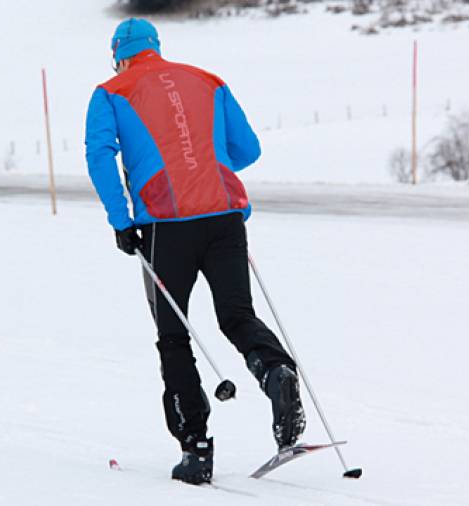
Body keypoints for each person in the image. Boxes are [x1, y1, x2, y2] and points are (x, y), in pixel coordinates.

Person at [84, 18, 305, 485]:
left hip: (165, 226)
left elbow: (99, 155)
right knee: (237, 315)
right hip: (225, 217)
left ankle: (196, 449)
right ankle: (277, 373)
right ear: (157, 48)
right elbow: (247, 149)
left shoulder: (109, 92)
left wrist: (121, 221)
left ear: (120, 55)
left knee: (173, 334)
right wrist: (205, 162)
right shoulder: (209, 80)